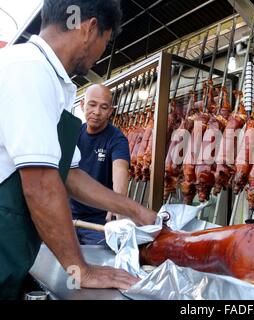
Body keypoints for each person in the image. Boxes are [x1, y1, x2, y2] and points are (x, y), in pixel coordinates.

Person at [0, 0, 157, 299]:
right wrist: (80, 269)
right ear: (90, 28)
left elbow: (69, 176)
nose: (101, 54)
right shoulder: (28, 71)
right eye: (106, 42)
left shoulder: (51, 82)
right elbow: (42, 184)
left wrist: (136, 210)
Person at [71, 84, 130, 245]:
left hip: (99, 220)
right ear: (82, 105)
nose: (97, 112)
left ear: (110, 111)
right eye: (92, 105)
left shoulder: (116, 139)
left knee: (98, 261)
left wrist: (117, 204)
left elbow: (120, 170)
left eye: (104, 107)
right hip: (67, 215)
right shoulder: (73, 133)